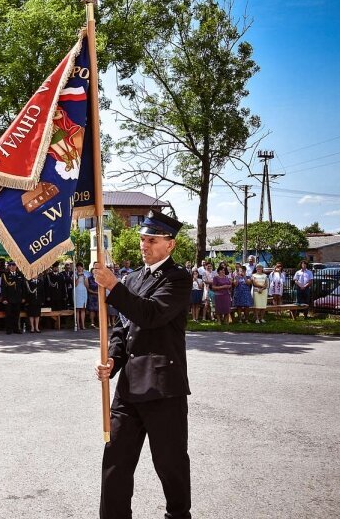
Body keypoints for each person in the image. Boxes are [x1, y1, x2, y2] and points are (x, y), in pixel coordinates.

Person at [93, 211, 192, 519]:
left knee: (170, 463)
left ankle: (178, 515)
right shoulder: (133, 278)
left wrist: (113, 286)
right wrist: (112, 359)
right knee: (115, 463)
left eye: (152, 240)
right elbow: (124, 329)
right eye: (142, 239)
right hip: (128, 389)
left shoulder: (178, 279)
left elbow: (150, 315)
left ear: (170, 245)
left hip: (162, 387)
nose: (144, 245)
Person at [1, 261, 25, 334]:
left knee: (16, 314)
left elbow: (23, 287)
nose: (12, 267)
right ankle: (9, 329)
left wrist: (23, 297)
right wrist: (4, 298)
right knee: (8, 314)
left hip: (17, 298)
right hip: (9, 298)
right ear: (8, 267)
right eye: (10, 265)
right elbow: (3, 288)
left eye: (13, 265)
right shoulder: (5, 275)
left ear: (16, 266)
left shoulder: (20, 274)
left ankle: (16, 329)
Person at [74, 262, 88, 330]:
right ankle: (78, 325)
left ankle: (83, 324)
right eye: (78, 267)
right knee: (77, 309)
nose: (79, 268)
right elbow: (75, 285)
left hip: (83, 291)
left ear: (82, 267)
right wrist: (78, 276)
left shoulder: (85, 274)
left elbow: (87, 286)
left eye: (81, 267)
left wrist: (84, 278)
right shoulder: (74, 274)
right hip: (77, 291)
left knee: (83, 309)